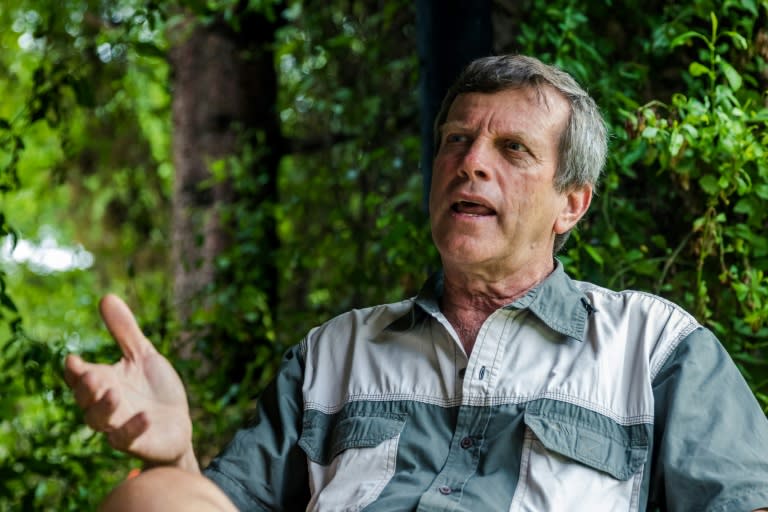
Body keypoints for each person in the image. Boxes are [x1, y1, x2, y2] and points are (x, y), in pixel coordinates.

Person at [65, 54, 768, 511]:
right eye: (457, 141)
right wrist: (178, 455)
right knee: (153, 498)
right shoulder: (334, 352)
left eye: (513, 150)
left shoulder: (653, 347)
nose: (471, 164)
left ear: (571, 204)